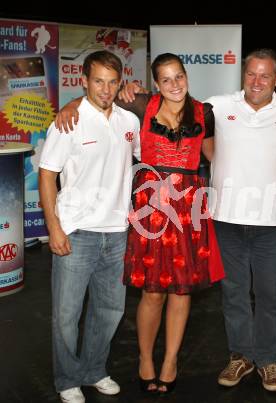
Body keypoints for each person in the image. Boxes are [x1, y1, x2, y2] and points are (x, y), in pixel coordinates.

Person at [60, 49, 276, 394]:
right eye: (251, 74)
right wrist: (72, 104)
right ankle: (222, 357)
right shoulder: (214, 106)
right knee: (217, 294)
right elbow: (105, 97)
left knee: (263, 295)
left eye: (265, 75)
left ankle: (264, 360)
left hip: (249, 219)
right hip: (197, 216)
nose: (257, 81)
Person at [54, 52, 224, 396]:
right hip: (152, 211)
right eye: (166, 79)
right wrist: (70, 104)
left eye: (179, 76)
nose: (174, 84)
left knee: (182, 292)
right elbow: (99, 97)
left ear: (187, 76)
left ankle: (170, 361)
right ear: (156, 84)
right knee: (152, 292)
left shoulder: (205, 113)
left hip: (189, 208)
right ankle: (145, 358)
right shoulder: (141, 106)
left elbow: (214, 157)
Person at [39, 51, 140, 403]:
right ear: (84, 81)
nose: (105, 89)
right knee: (67, 314)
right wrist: (54, 228)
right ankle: (68, 378)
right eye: (98, 81)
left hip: (117, 233)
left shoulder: (130, 122)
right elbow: (47, 175)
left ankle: (95, 370)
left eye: (113, 82)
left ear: (121, 83)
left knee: (110, 311)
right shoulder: (68, 121)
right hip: (76, 232)